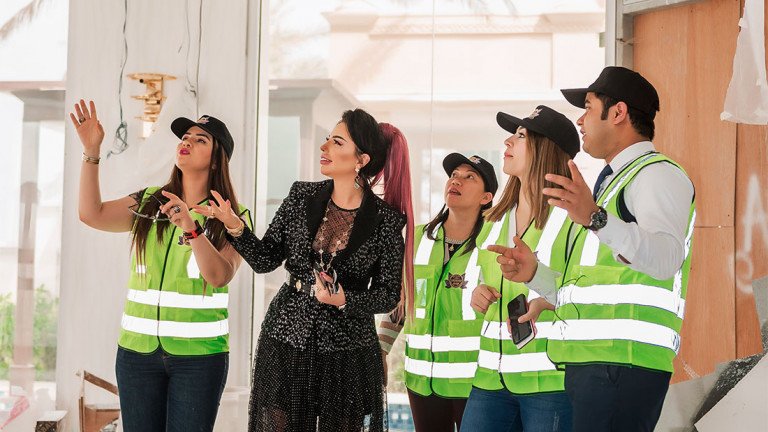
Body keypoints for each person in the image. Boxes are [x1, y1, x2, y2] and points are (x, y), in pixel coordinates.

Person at [495, 67, 696, 432]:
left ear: (617, 113)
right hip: (596, 364)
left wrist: (595, 218)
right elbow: (594, 286)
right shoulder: (605, 189)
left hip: (622, 364)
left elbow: (666, 260)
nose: (580, 119)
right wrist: (534, 276)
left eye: (588, 107)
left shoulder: (656, 174)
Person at [204, 108, 414, 432]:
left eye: (336, 142)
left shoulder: (386, 221)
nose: (324, 147)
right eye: (327, 139)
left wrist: (345, 299)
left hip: (347, 351)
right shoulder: (301, 196)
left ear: (361, 159)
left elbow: (387, 295)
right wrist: (235, 225)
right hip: (286, 337)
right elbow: (265, 260)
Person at [71, 99, 251, 432]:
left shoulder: (231, 217)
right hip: (136, 355)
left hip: (198, 360)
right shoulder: (150, 201)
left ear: (216, 160)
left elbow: (219, 276)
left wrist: (192, 228)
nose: (187, 142)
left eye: (200, 140)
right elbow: (90, 213)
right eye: (186, 136)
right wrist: (91, 151)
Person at [460, 106, 579, 432]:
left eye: (521, 136)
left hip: (550, 383)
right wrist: (476, 294)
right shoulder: (493, 219)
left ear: (546, 148)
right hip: (489, 378)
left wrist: (537, 276)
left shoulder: (573, 219)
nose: (508, 141)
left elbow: (585, 294)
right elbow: (476, 279)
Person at [378, 153, 498, 431]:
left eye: (470, 177)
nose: (457, 180)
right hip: (421, 381)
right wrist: (381, 349)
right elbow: (401, 302)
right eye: (454, 175)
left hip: (476, 382)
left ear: (486, 197)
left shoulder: (493, 243)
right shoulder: (416, 239)